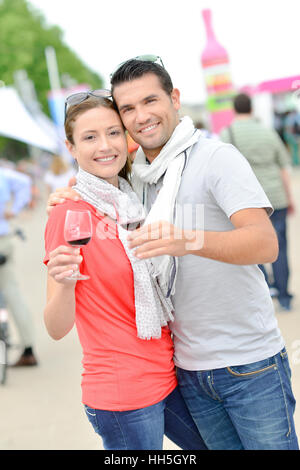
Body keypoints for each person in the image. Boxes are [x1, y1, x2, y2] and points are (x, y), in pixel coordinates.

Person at [48, 58, 298, 450]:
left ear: (175, 98)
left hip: (248, 365)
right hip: (186, 370)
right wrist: (68, 194)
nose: (141, 116)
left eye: (150, 100)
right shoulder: (137, 182)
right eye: (128, 109)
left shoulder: (216, 158)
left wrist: (190, 240)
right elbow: (96, 179)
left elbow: (265, 244)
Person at [43, 93, 207, 451]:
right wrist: (64, 282)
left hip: (168, 373)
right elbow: (55, 328)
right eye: (89, 137)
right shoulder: (69, 213)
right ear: (70, 147)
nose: (105, 146)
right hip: (123, 394)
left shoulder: (136, 201)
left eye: (113, 133)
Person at [220, 93, 296, 311]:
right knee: (280, 246)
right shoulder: (268, 132)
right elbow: (283, 167)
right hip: (276, 197)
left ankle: (265, 290)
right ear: (251, 108)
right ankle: (284, 296)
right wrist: (289, 197)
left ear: (234, 109)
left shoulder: (227, 134)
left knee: (254, 247)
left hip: (247, 201)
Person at [0, 166, 38, 366]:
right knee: (12, 292)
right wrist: (13, 210)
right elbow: (25, 183)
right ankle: (28, 346)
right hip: (3, 239)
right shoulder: (4, 174)